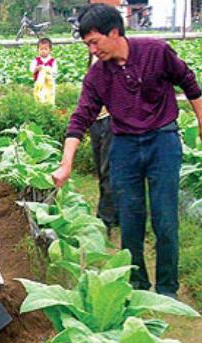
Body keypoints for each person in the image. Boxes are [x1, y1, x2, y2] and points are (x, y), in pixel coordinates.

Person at [51, 4, 202, 299]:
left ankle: (167, 289)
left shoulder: (155, 52)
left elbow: (190, 83)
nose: (93, 50)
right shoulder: (97, 76)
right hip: (123, 146)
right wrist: (66, 163)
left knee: (165, 219)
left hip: (163, 142)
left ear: (115, 32)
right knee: (130, 220)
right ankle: (137, 286)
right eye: (88, 45)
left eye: (95, 42)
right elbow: (80, 119)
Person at [88, 53, 118, 235]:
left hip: (110, 119)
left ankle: (105, 219)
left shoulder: (111, 57)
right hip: (96, 119)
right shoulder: (93, 57)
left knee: (107, 169)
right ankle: (115, 214)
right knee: (101, 168)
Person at [30, 37, 57, 105]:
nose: (43, 51)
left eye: (45, 49)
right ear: (38, 50)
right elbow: (32, 70)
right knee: (39, 95)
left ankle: (50, 106)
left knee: (49, 96)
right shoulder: (36, 60)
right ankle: (40, 106)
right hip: (39, 83)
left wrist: (48, 70)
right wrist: (37, 68)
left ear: (50, 50)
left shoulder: (53, 61)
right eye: (41, 49)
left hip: (49, 84)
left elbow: (54, 72)